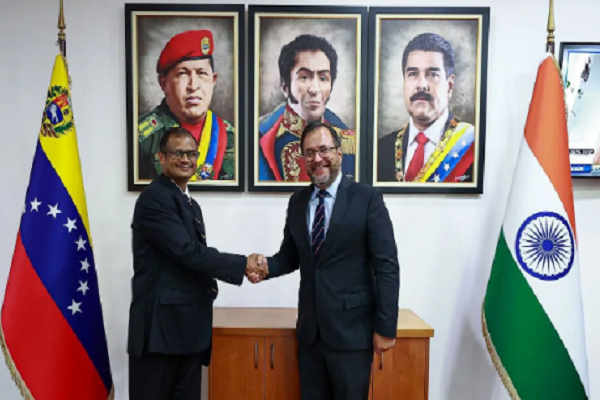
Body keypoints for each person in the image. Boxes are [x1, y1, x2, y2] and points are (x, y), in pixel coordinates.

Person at [250, 122, 400, 400]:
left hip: (352, 333)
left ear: (339, 153)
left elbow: (387, 267)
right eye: (309, 153)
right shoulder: (298, 202)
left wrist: (385, 327)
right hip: (311, 334)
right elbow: (291, 256)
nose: (317, 158)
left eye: (323, 150)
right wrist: (266, 267)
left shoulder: (367, 199)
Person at [127, 127, 267, 400]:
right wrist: (243, 264)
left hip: (185, 332)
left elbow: (192, 259)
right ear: (161, 157)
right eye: (177, 153)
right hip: (161, 335)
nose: (185, 159)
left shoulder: (188, 203)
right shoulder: (155, 198)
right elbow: (187, 252)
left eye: (191, 154)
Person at [377, 32, 476, 184]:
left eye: (432, 74)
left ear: (449, 86)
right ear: (404, 83)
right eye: (413, 74)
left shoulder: (471, 146)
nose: (421, 85)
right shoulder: (381, 150)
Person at [138, 29, 236, 182]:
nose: (193, 86)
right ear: (163, 83)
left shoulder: (231, 137)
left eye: (202, 73)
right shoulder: (142, 137)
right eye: (183, 73)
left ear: (213, 80)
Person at [257, 34, 357, 182]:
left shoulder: (347, 139)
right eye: (304, 77)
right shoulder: (261, 135)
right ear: (285, 86)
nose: (315, 89)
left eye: (323, 78)